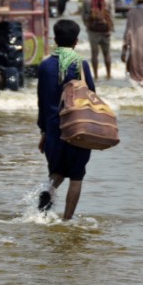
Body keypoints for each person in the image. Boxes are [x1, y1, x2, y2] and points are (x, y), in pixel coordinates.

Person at [36, 19, 96, 220]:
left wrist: (43, 132)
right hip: (77, 127)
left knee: (57, 171)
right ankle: (67, 220)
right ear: (76, 41)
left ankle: (44, 204)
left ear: (55, 39)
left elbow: (42, 101)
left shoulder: (45, 66)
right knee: (76, 176)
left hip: (54, 129)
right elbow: (91, 95)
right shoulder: (81, 64)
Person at [81, 0, 114, 81]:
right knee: (107, 53)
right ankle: (109, 75)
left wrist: (87, 25)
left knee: (94, 54)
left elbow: (84, 14)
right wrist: (110, 27)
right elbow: (112, 14)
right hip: (105, 30)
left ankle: (95, 76)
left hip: (92, 30)